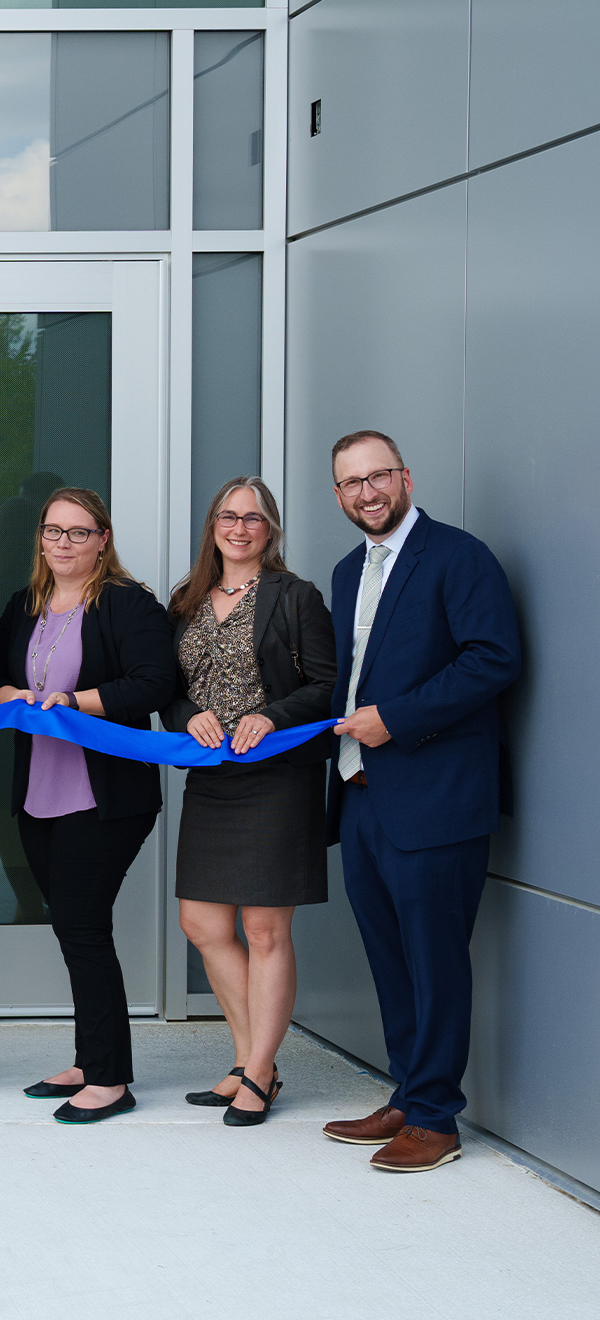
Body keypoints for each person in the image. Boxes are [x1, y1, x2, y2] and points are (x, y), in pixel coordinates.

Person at [319, 431, 521, 1173]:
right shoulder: (347, 571)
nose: (367, 493)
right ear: (337, 495)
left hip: (436, 798)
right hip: (362, 793)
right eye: (350, 484)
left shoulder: (458, 556)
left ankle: (436, 1117)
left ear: (404, 476)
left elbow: (494, 657)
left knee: (435, 962)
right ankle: (408, 1094)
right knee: (391, 959)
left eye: (377, 477)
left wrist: (395, 719)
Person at [0, 487, 177, 1124]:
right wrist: (10, 690)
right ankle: (91, 1060)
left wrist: (74, 702)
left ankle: (113, 1079)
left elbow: (154, 684)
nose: (63, 542)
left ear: (102, 540)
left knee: (84, 927)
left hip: (106, 797)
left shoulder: (128, 603)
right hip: (39, 793)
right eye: (53, 531)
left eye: (78, 531)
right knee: (73, 929)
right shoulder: (25, 604)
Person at [163, 477, 336, 1125]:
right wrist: (187, 718)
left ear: (272, 529)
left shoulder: (296, 598)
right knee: (203, 925)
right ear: (213, 524)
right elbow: (170, 690)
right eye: (229, 516)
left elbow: (326, 686)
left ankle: (258, 1073)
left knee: (265, 931)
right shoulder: (185, 602)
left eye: (254, 518)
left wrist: (272, 716)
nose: (240, 527)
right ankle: (248, 1060)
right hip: (212, 776)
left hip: (277, 776)